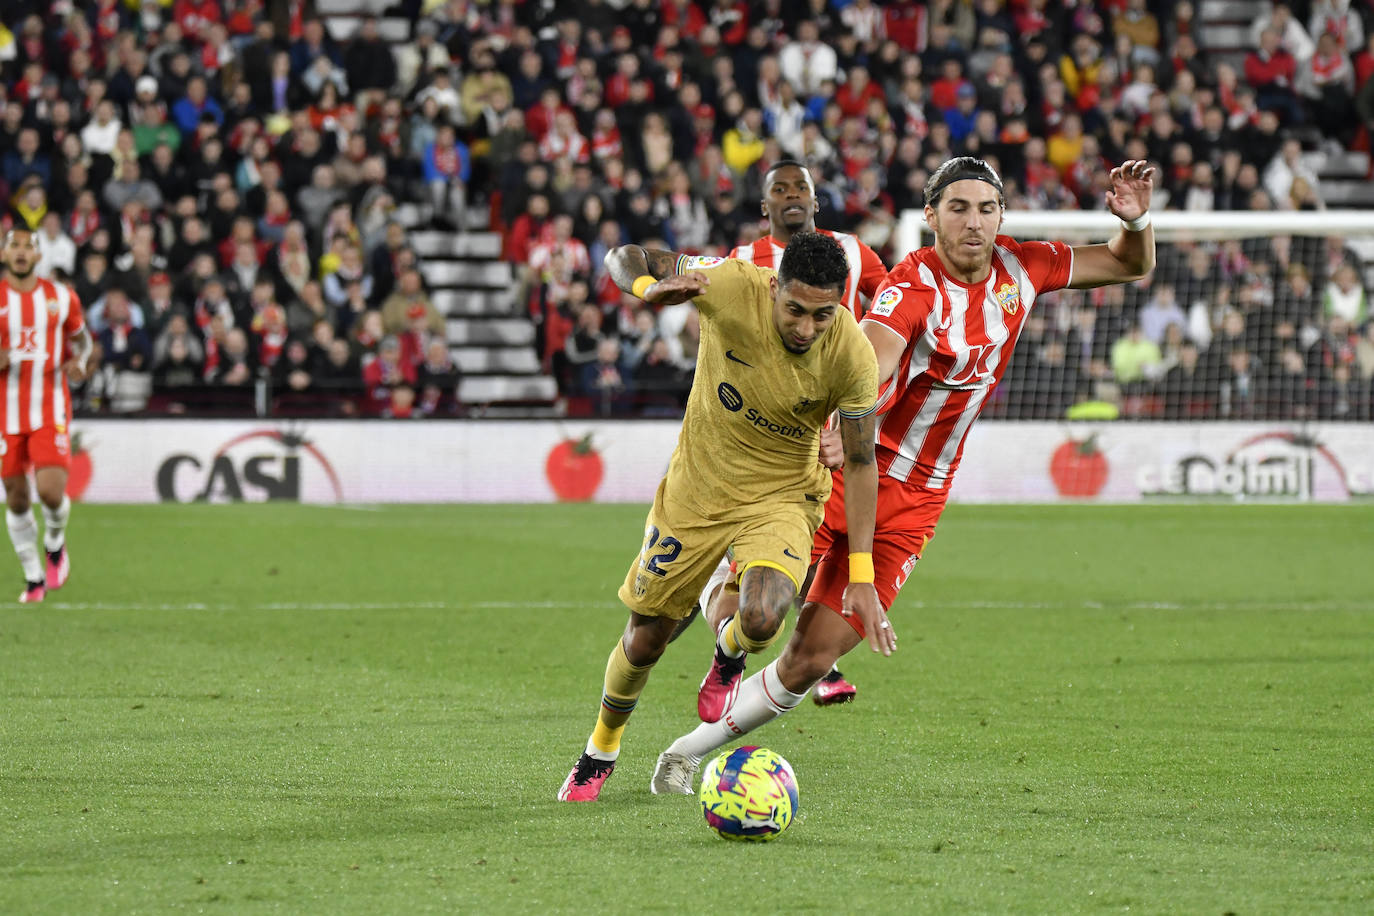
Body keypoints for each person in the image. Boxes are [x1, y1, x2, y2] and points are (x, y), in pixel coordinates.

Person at [651, 156, 1156, 793]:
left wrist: (1135, 222)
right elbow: (870, 359)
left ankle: (682, 755)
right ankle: (710, 589)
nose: (974, 222)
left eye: (987, 209)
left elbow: (1128, 263)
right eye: (958, 208)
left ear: (1002, 216)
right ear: (931, 216)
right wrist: (836, 422)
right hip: (846, 472)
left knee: (812, 658)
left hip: (920, 499)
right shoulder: (911, 288)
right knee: (751, 614)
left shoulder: (1025, 268)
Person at [557, 231, 886, 802]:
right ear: (774, 287)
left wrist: (862, 573)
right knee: (645, 640)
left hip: (783, 494)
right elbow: (624, 256)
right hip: (699, 489)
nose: (807, 328)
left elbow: (860, 462)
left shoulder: (853, 354)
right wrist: (648, 287)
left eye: (823, 315)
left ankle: (729, 651)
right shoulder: (730, 283)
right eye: (795, 310)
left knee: (762, 618)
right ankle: (600, 750)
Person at [688, 160, 891, 709]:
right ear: (765, 206)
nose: (792, 195)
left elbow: (893, 322)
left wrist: (860, 407)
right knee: (742, 577)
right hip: (753, 437)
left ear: (816, 199)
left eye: (801, 186)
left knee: (807, 547)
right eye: (779, 189)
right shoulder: (742, 261)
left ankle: (812, 659)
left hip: (828, 433)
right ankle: (727, 625)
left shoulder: (853, 254)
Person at [0, 228, 95, 602]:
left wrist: (80, 362)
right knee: (17, 498)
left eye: (29, 247)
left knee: (51, 492)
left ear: (39, 256)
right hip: (4, 413)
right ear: (4, 254)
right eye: (15, 246)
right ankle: (33, 577)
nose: (21, 252)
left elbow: (83, 342)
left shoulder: (61, 297)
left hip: (50, 406)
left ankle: (55, 542)